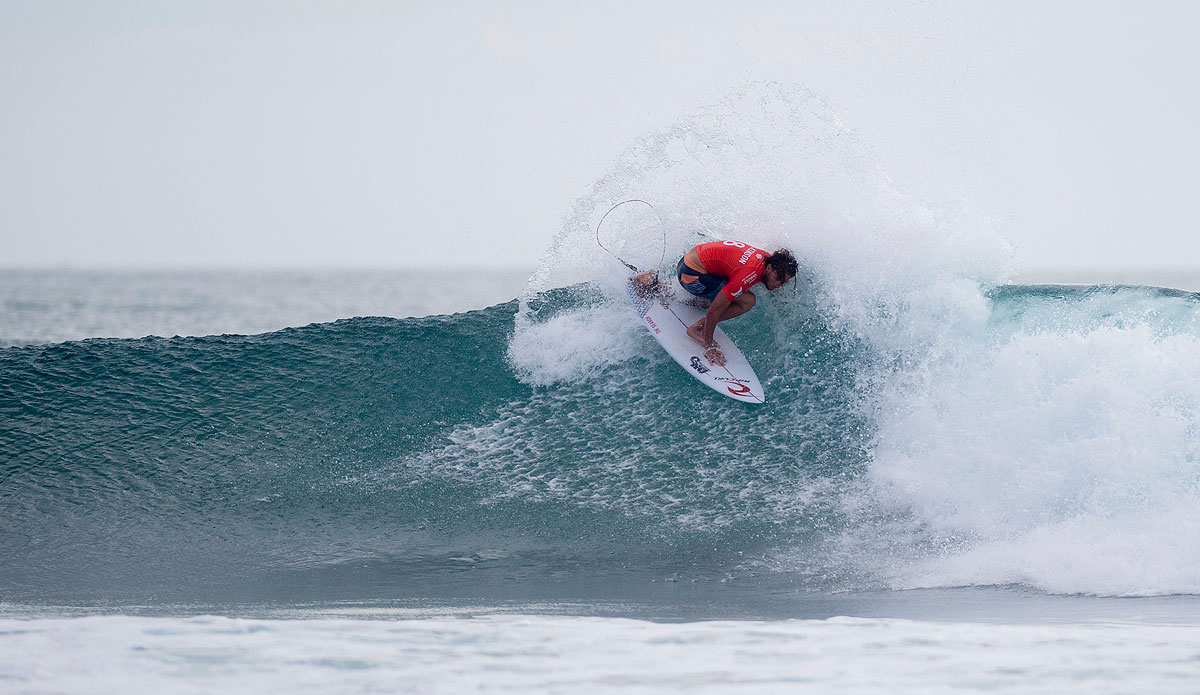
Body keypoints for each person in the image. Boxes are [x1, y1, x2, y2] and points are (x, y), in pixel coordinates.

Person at [650, 240, 797, 367]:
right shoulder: (748, 274)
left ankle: (656, 286)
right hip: (691, 274)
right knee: (747, 301)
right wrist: (709, 346)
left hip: (690, 261)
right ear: (770, 268)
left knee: (722, 296)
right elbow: (714, 311)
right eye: (779, 279)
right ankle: (696, 329)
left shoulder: (764, 259)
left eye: (784, 282)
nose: (779, 284)